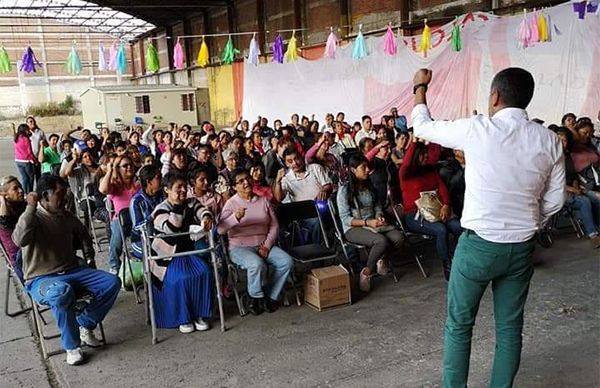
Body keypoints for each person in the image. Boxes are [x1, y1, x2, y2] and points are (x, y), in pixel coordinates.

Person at [411, 67, 565, 387]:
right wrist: (529, 223)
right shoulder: (550, 141)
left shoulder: (478, 129)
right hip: (522, 248)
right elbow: (555, 201)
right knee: (509, 329)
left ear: (494, 96)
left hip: (478, 248)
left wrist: (420, 87)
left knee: (459, 326)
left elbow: (422, 126)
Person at [12, 174, 120, 365]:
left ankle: (84, 324)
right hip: (41, 279)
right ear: (44, 196)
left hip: (73, 271)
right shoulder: (33, 217)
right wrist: (30, 206)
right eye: (59, 194)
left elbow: (84, 236)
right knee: (61, 293)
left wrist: (89, 259)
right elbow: (19, 239)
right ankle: (72, 347)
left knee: (112, 282)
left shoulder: (66, 216)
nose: (64, 199)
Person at [218, 168, 293, 315]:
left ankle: (271, 295)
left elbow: (274, 225)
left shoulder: (263, 200)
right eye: (240, 181)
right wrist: (235, 218)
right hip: (240, 248)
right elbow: (221, 230)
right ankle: (255, 297)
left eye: (247, 179)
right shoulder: (231, 204)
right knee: (256, 264)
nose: (246, 183)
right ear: (234, 187)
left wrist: (266, 245)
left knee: (286, 261)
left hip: (263, 244)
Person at [150, 172, 214, 333]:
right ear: (167, 190)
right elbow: (171, 229)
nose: (183, 191)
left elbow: (203, 211)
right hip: (167, 258)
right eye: (178, 188)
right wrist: (178, 207)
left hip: (188, 253)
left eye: (185, 187)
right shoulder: (160, 210)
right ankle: (182, 317)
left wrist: (206, 218)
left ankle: (200, 314)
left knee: (204, 271)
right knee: (181, 278)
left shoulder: (191, 202)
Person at [337, 154, 404, 292]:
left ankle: (382, 257)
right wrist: (367, 222)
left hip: (374, 223)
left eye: (368, 167)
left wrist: (379, 216)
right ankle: (366, 272)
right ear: (353, 170)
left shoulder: (370, 187)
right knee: (381, 241)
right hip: (353, 228)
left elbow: (377, 206)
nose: (368, 170)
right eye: (364, 167)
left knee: (399, 238)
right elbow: (345, 219)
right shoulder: (344, 191)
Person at [400, 140, 461, 281]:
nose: (426, 157)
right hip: (415, 215)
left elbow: (442, 188)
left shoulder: (429, 170)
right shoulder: (406, 173)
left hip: (437, 211)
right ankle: (447, 264)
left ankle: (456, 256)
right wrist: (415, 141)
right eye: (423, 155)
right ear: (416, 155)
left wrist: (446, 204)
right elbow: (408, 160)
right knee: (441, 230)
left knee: (458, 227)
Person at [555, 128, 600, 248]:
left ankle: (597, 227)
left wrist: (576, 186)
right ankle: (593, 235)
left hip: (574, 188)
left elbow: (573, 175)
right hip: (559, 191)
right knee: (584, 201)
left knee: (596, 198)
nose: (562, 143)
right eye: (559, 140)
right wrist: (573, 190)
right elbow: (553, 183)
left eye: (564, 140)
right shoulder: (550, 158)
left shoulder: (567, 156)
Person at [99, 154, 139, 274]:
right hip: (120, 220)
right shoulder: (115, 185)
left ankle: (140, 260)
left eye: (130, 165)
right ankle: (114, 266)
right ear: (118, 168)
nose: (129, 167)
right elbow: (103, 190)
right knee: (116, 238)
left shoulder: (138, 183)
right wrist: (110, 170)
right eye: (125, 166)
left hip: (137, 218)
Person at [129, 165, 164, 258]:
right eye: (158, 178)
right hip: (141, 239)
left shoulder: (163, 196)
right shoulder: (136, 201)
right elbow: (137, 227)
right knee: (154, 252)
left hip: (161, 236)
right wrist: (151, 217)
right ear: (149, 182)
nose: (162, 180)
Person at [0, 176, 26, 278]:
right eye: (15, 189)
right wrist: (2, 201)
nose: (20, 190)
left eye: (20, 187)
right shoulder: (4, 212)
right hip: (18, 258)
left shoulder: (20, 205)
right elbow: (4, 221)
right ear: (5, 195)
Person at [440, 149, 466, 218]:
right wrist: (463, 166)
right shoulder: (448, 164)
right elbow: (454, 184)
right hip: (456, 203)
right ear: (455, 152)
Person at [13, 123, 38, 194]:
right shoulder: (25, 139)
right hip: (26, 161)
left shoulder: (16, 138)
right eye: (27, 129)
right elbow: (29, 151)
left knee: (24, 178)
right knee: (30, 178)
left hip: (18, 160)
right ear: (24, 130)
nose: (28, 130)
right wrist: (34, 160)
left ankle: (23, 192)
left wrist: (13, 128)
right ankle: (29, 192)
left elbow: (14, 134)